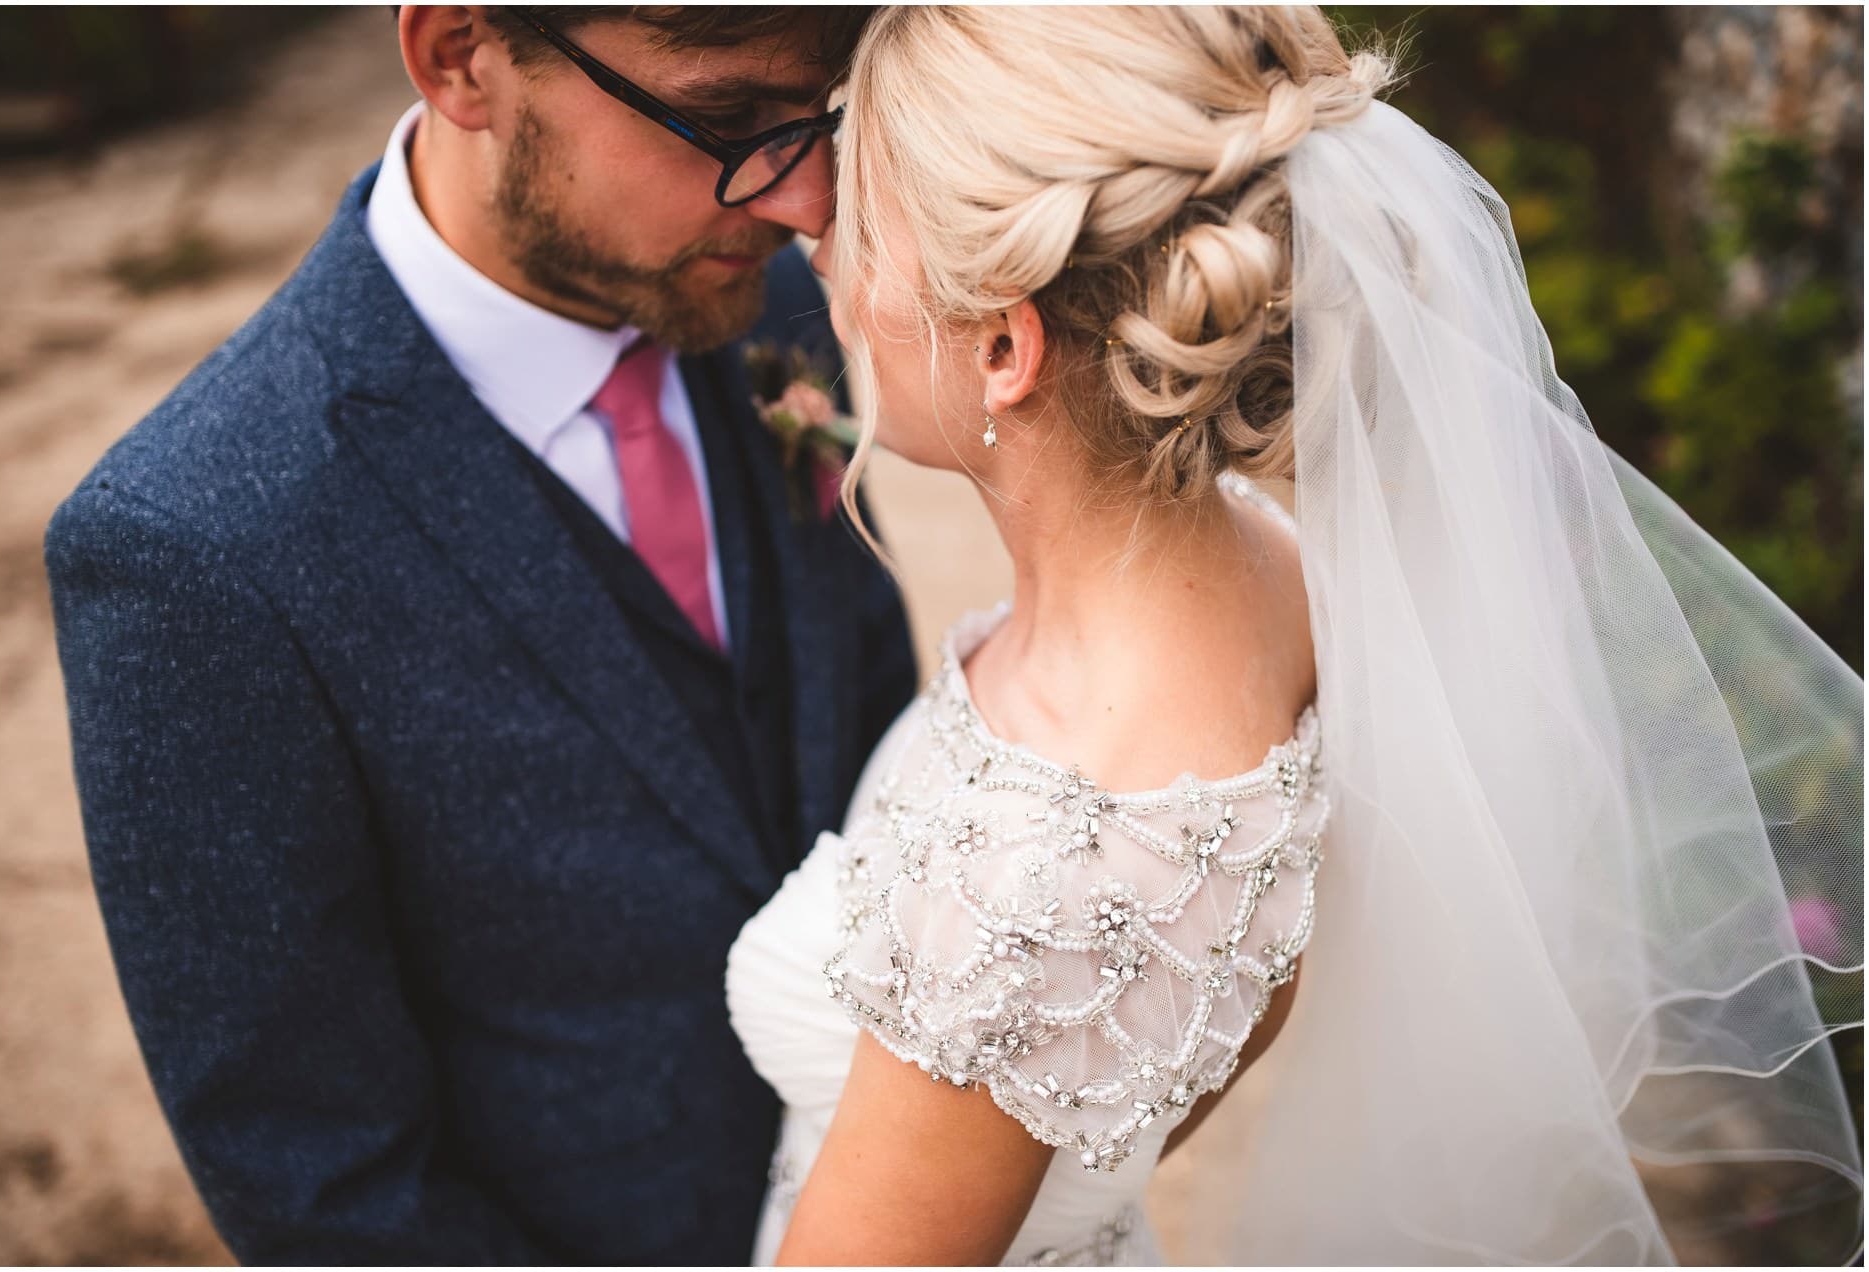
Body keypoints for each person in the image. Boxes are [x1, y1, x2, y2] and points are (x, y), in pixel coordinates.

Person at [725, 6, 1865, 1265]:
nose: (808, 233)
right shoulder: (1275, 575)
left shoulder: (1044, 875)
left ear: (1004, 345)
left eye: (860, 215)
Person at [45, 5, 912, 1263]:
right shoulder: (193, 546)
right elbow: (321, 1180)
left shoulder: (770, 298)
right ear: (461, 56)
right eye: (728, 121)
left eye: (821, 115)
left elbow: (867, 704)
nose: (805, 198)